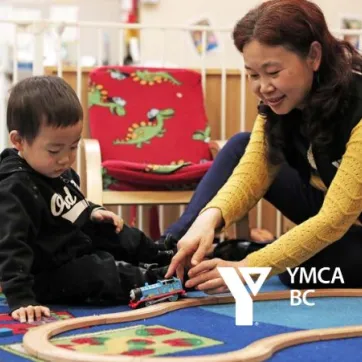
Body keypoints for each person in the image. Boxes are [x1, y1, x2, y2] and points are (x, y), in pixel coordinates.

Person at [165, 0, 362, 293]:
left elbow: (335, 217)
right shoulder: (279, 103)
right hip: (325, 203)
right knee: (241, 145)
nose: (263, 87)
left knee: (297, 273)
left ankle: (250, 251)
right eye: (253, 75)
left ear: (314, 56)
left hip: (346, 219)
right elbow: (252, 173)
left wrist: (249, 268)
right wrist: (209, 219)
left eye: (273, 72)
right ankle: (169, 251)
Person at [0, 76, 173, 323]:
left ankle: (164, 253)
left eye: (73, 147)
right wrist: (21, 298)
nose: (65, 159)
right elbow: (10, 246)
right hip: (48, 273)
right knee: (99, 272)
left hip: (74, 244)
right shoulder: (13, 188)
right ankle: (158, 279)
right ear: (18, 141)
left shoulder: (54, 170)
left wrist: (91, 211)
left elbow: (68, 205)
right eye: (54, 150)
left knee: (115, 230)